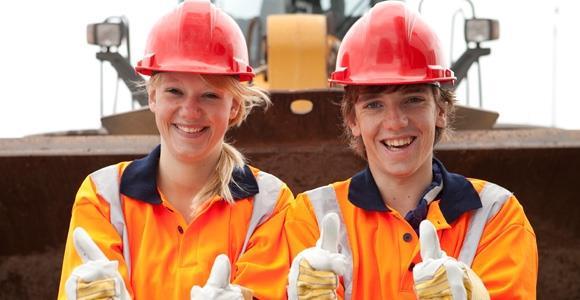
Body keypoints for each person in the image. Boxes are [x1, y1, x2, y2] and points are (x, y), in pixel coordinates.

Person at [285, 2, 538, 299]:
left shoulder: (497, 215)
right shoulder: (311, 216)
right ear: (353, 120)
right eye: (374, 104)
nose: (395, 122)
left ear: (441, 110)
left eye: (413, 99)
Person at [57, 1, 293, 299]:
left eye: (209, 95)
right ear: (152, 96)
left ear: (234, 107)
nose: (190, 111)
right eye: (174, 91)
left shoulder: (270, 204)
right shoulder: (103, 197)